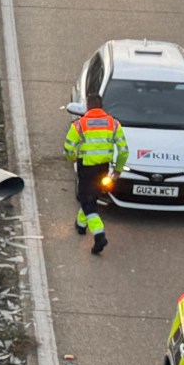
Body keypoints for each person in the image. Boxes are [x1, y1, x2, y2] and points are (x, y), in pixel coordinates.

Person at [64, 102, 128, 256]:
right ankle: (80, 225)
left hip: (86, 168)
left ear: (87, 107)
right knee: (91, 196)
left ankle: (99, 236)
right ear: (101, 106)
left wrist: (72, 158)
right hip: (103, 168)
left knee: (87, 201)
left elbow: (68, 148)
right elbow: (124, 151)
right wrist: (118, 170)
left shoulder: (79, 124)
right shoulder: (113, 124)